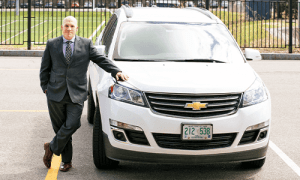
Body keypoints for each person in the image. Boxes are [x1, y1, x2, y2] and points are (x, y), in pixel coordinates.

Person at [40, 16, 128, 172]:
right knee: (61, 128)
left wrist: (116, 71)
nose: (69, 28)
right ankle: (67, 162)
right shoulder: (52, 44)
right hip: (55, 93)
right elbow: (45, 68)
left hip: (77, 93)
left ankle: (52, 147)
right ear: (62, 27)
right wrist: (45, 87)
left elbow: (101, 59)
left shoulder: (86, 44)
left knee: (73, 124)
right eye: (66, 26)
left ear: (76, 28)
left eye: (72, 26)